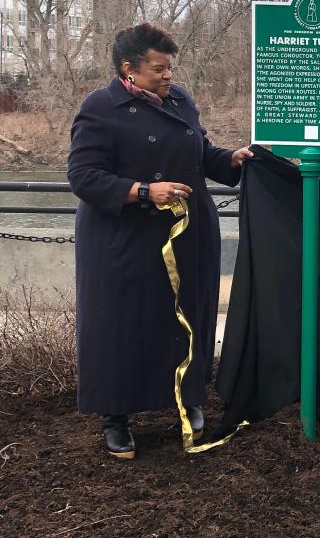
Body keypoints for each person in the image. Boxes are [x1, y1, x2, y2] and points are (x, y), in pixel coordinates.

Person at [68, 23, 253, 459]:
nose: (168, 75)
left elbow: (200, 152)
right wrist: (144, 191)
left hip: (187, 234)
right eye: (159, 69)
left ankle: (189, 402)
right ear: (128, 70)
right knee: (121, 325)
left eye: (170, 67)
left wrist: (233, 159)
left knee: (188, 316)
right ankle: (116, 416)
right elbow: (83, 176)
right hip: (124, 239)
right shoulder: (99, 108)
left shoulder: (181, 99)